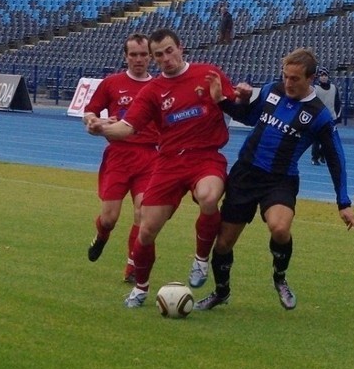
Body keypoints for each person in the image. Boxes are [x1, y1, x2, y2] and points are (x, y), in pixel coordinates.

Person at [91, 28, 248, 308]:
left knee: (210, 197)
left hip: (205, 157)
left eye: (169, 50)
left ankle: (201, 259)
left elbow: (236, 106)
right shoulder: (152, 91)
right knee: (147, 231)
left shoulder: (208, 73)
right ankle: (140, 288)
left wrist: (242, 97)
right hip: (168, 162)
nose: (165, 58)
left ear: (180, 48)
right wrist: (100, 128)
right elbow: (128, 127)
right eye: (159, 54)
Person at [195, 48, 354, 311]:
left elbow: (335, 158)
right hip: (246, 174)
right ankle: (221, 291)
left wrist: (343, 202)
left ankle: (279, 278)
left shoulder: (319, 116)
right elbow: (249, 117)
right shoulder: (273, 90)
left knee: (280, 228)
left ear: (312, 78)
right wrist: (223, 102)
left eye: (295, 78)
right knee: (224, 242)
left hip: (280, 181)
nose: (288, 83)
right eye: (285, 76)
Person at [83, 33, 158, 283]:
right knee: (110, 218)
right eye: (133, 55)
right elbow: (90, 112)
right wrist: (96, 121)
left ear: (150, 57)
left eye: (143, 55)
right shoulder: (112, 83)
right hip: (118, 156)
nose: (138, 59)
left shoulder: (158, 87)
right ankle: (102, 235)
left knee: (143, 213)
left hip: (149, 157)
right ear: (125, 56)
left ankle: (133, 266)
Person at [310, 66, 341, 166]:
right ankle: (315, 158)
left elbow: (337, 103)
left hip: (331, 117)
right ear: (318, 77)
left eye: (325, 75)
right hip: (318, 118)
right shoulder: (315, 88)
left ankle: (322, 154)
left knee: (329, 140)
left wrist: (337, 116)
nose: (323, 77)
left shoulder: (333, 88)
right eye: (321, 75)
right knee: (317, 140)